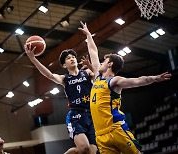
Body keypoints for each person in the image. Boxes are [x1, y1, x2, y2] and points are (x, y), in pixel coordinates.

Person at [79, 21, 172, 154]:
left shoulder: (114, 81)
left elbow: (138, 81)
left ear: (110, 64)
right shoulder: (97, 77)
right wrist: (88, 34)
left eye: (104, 61)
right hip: (100, 135)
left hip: (116, 129)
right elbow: (93, 51)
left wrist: (155, 78)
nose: (100, 62)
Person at [24, 44, 97, 154]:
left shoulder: (86, 73)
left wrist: (89, 65)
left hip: (91, 115)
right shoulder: (64, 78)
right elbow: (49, 75)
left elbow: (99, 74)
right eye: (68, 58)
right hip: (75, 116)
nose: (72, 58)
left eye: (73, 57)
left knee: (91, 151)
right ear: (64, 65)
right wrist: (33, 59)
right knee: (84, 148)